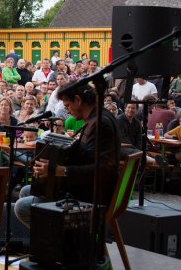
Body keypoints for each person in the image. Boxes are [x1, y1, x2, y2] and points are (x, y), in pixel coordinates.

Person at [14, 83, 120, 228]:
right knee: (29, 190)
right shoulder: (97, 118)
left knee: (22, 207)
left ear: (78, 100)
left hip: (91, 199)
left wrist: (60, 171)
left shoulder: (100, 124)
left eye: (68, 105)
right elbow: (88, 156)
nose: (67, 111)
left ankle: (57, 245)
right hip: (87, 189)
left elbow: (102, 170)